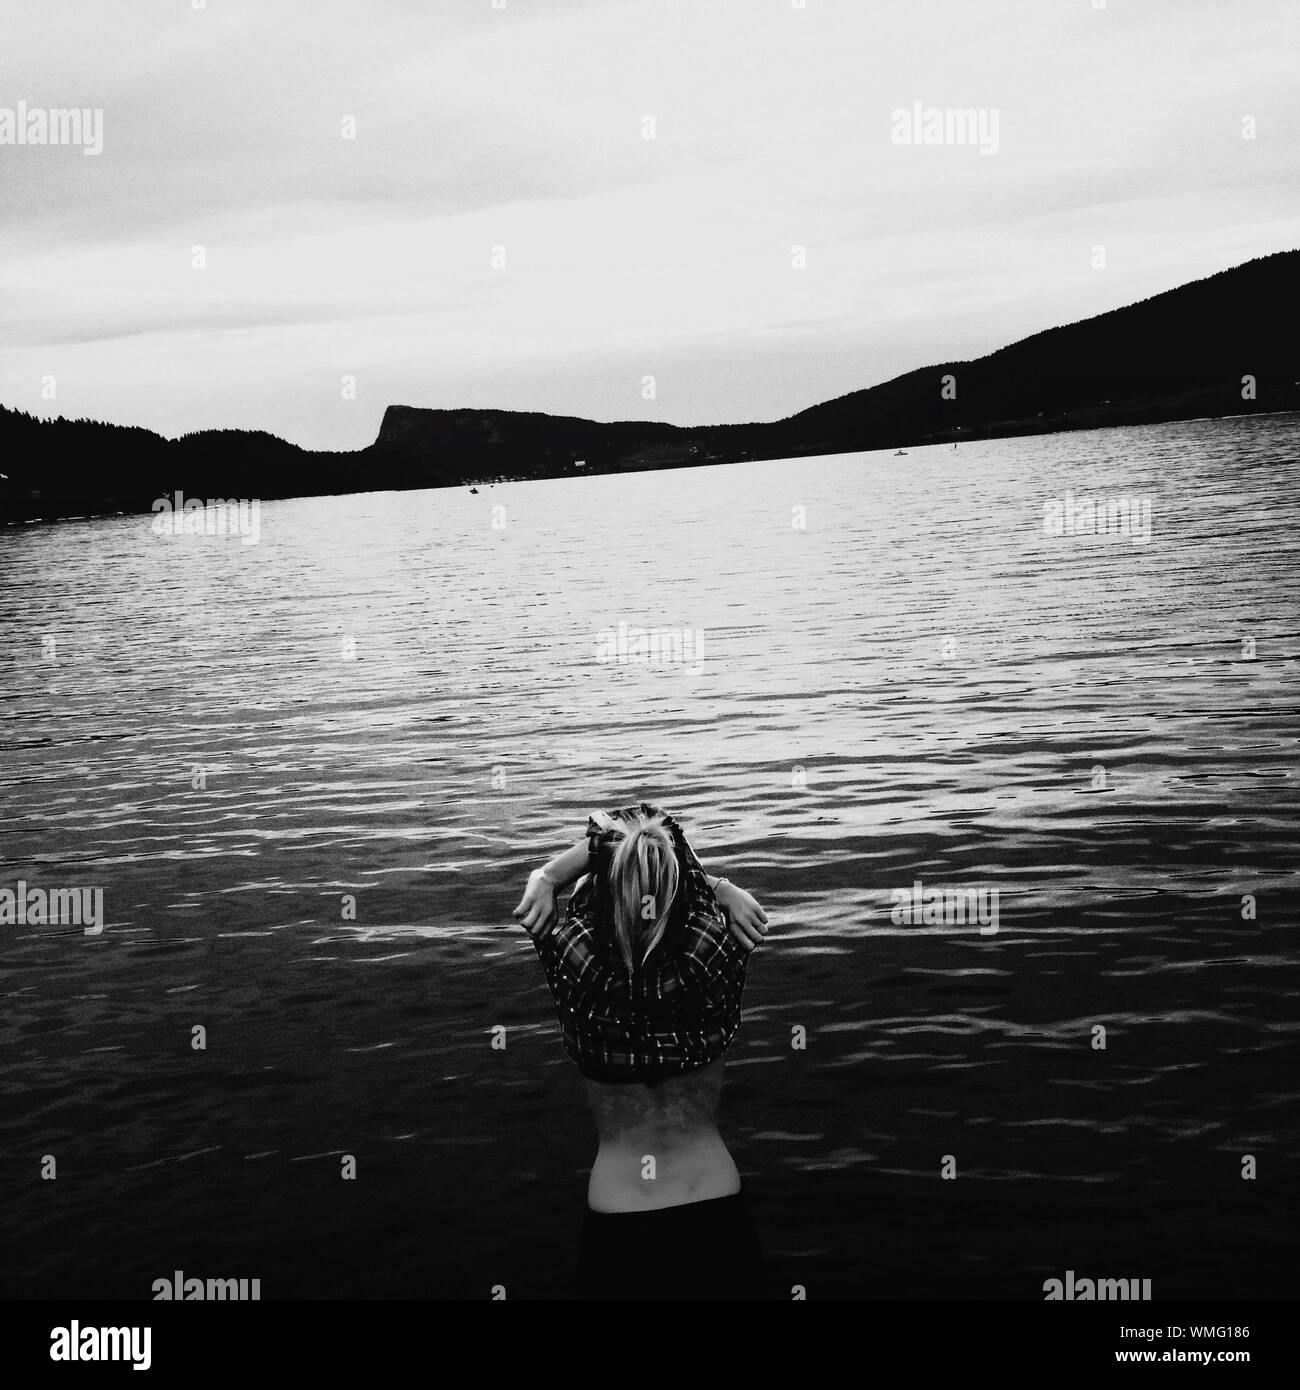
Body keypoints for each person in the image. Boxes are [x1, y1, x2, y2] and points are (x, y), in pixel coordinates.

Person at [512, 800, 770, 1299]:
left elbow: (622, 852)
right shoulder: (717, 951)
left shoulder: (569, 960)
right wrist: (723, 888)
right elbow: (666, 836)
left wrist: (547, 877)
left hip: (618, 1213)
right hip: (714, 1199)